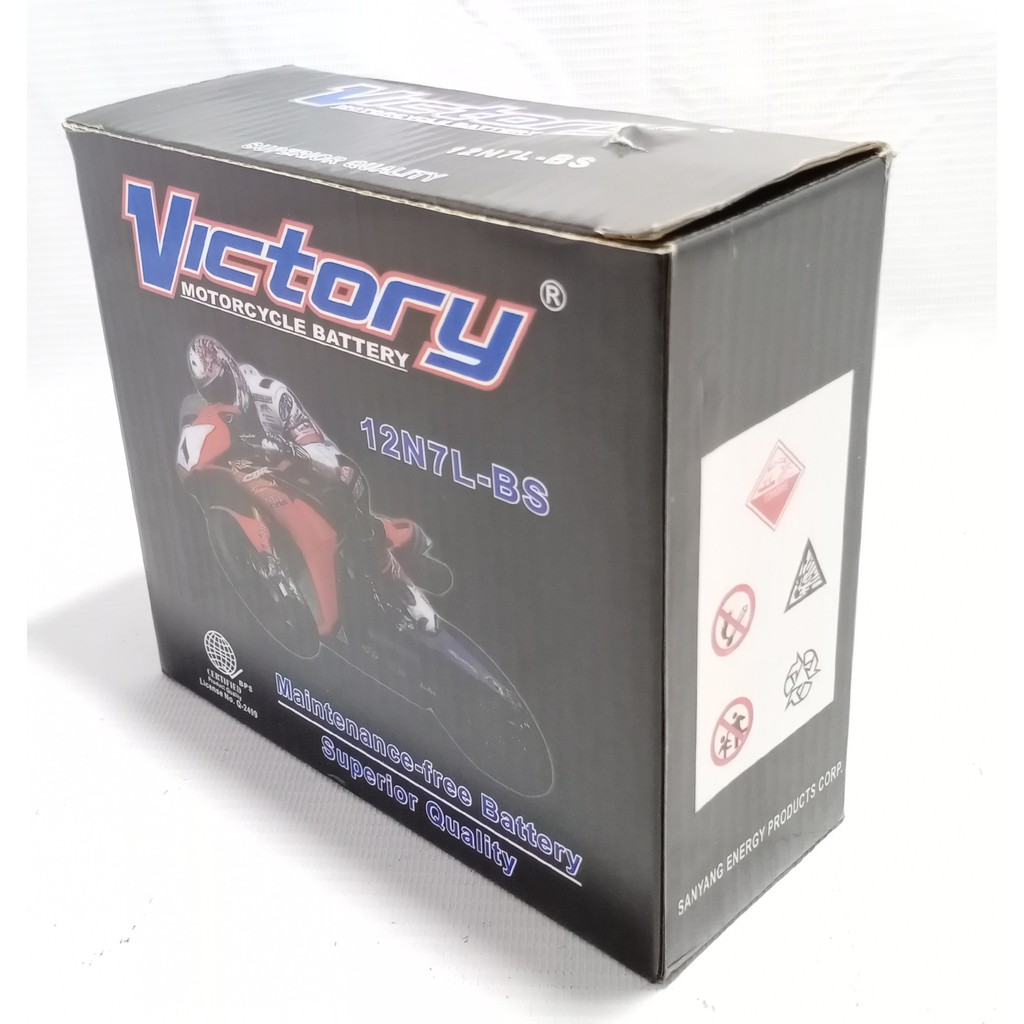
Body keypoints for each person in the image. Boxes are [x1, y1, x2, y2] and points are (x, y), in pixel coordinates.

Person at [186, 334, 451, 631]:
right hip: (264, 483)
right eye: (210, 392)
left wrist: (290, 450)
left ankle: (399, 583)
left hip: (308, 466)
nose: (219, 396)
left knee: (345, 478)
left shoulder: (270, 395)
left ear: (231, 370)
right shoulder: (211, 413)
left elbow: (315, 443)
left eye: (221, 385)